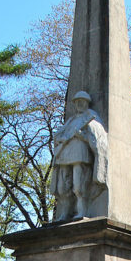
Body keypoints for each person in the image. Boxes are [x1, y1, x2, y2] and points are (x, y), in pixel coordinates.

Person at [50, 91, 108, 221]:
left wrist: (83, 136)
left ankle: (82, 210)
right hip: (65, 156)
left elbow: (98, 138)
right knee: (62, 187)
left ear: (87, 103)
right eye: (77, 102)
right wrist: (62, 139)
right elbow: (58, 136)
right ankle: (65, 213)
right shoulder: (71, 120)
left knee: (78, 185)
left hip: (80, 155)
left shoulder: (91, 117)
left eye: (82, 101)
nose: (80, 104)